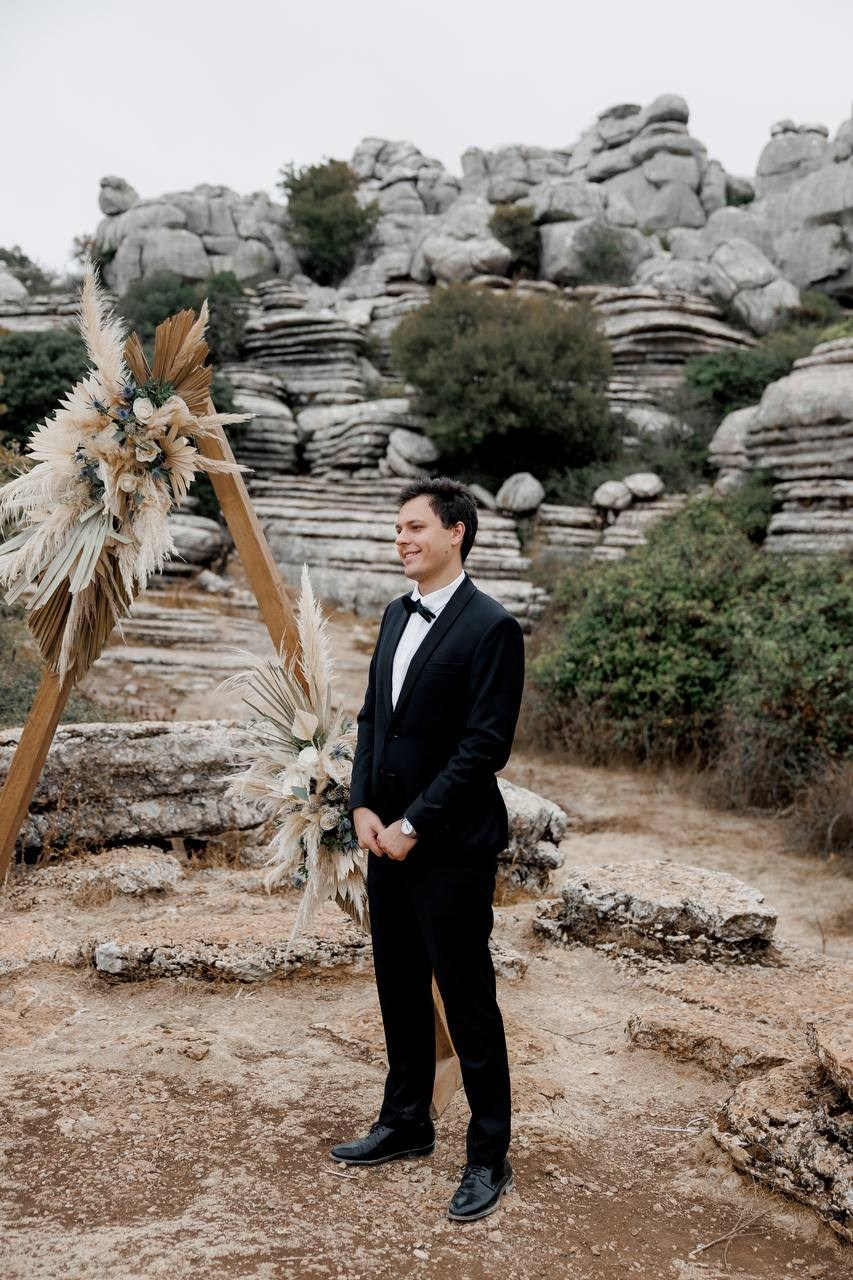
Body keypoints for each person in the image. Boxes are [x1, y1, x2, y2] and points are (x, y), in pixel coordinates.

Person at [329, 476, 525, 1223]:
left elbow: (484, 749)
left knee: (468, 1000)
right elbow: (372, 717)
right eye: (397, 529)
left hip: (449, 849)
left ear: (456, 534)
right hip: (383, 840)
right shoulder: (391, 613)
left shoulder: (492, 627)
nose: (402, 539)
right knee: (398, 987)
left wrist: (413, 825)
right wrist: (363, 806)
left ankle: (487, 1156)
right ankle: (405, 1122)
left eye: (415, 527)